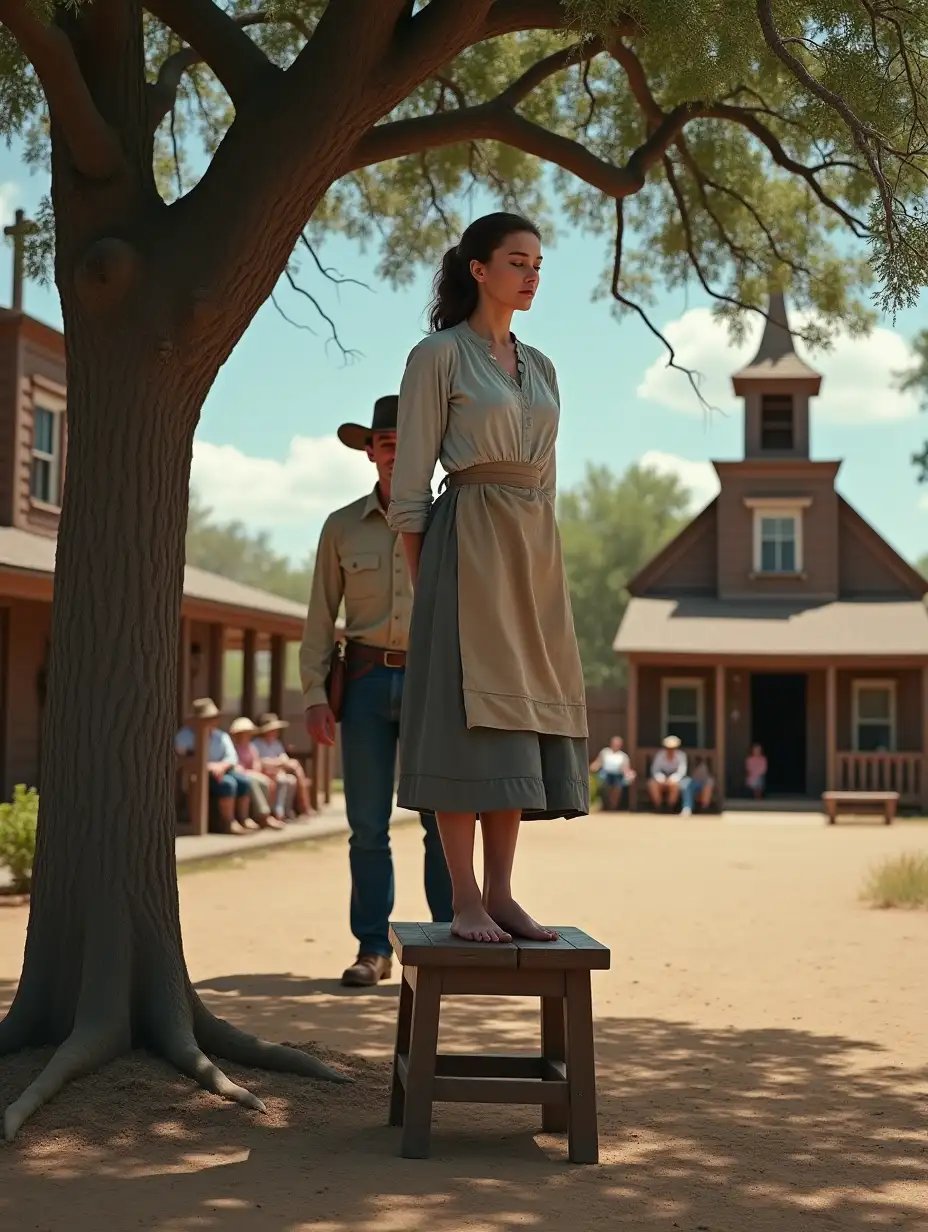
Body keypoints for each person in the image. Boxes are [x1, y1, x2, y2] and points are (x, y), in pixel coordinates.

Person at [387, 211, 589, 945]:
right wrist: (425, 582)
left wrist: (545, 559)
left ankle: (503, 894)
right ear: (478, 268)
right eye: (517, 260)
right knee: (463, 725)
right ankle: (464, 899)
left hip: (533, 549)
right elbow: (410, 484)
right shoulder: (436, 355)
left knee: (520, 718)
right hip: (464, 542)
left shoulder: (543, 367)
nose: (532, 273)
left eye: (538, 263)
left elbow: (549, 479)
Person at [301, 395, 454, 987]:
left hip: (431, 684)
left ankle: (448, 941)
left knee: (444, 817)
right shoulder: (340, 527)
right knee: (367, 823)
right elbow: (320, 615)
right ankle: (373, 948)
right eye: (386, 444)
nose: (396, 455)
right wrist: (316, 693)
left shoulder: (448, 520)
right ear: (370, 452)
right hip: (362, 684)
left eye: (407, 444)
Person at [174, 698, 257, 835]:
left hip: (223, 771)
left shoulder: (221, 736)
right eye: (207, 718)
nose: (211, 721)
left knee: (244, 781)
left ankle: (243, 818)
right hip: (198, 776)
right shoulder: (184, 736)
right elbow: (184, 756)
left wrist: (221, 767)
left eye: (213, 718)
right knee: (228, 784)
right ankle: (228, 822)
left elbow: (231, 757)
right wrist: (208, 767)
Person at [228, 717, 288, 829]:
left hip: (254, 774)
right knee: (253, 781)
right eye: (243, 733)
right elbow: (236, 766)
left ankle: (267, 814)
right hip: (242, 775)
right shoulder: (234, 748)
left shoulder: (251, 747)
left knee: (267, 781)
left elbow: (257, 763)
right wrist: (250, 771)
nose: (246, 736)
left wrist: (256, 770)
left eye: (248, 733)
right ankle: (264, 815)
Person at [252, 713, 310, 817]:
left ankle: (286, 810)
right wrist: (278, 763)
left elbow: (284, 758)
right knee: (282, 779)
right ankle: (279, 812)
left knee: (291, 779)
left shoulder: (276, 743)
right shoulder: (256, 744)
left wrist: (280, 763)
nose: (275, 732)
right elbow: (260, 761)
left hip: (279, 771)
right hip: (265, 772)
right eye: (272, 729)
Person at [590, 735, 636, 811]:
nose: (616, 745)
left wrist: (630, 774)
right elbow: (598, 762)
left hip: (618, 775)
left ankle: (613, 807)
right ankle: (602, 804)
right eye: (615, 743)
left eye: (618, 743)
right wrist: (592, 767)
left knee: (617, 787)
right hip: (605, 774)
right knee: (601, 782)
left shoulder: (623, 756)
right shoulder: (605, 752)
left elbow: (626, 769)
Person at [647, 735, 688, 811]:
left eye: (672, 748)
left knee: (675, 786)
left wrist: (673, 779)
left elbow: (682, 771)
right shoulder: (660, 755)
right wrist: (661, 778)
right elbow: (655, 769)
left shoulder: (681, 756)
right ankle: (659, 806)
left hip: (675, 778)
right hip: (661, 777)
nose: (670, 749)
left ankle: (670, 807)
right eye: (668, 747)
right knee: (652, 784)